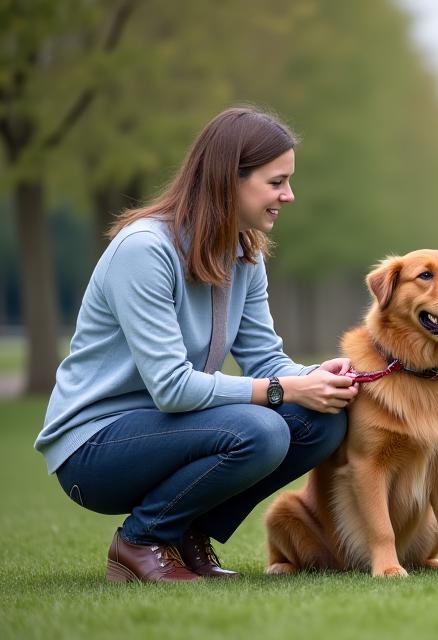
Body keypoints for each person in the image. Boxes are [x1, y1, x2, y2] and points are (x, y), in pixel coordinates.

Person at [35, 107, 359, 582]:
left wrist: (313, 378)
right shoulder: (144, 251)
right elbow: (172, 388)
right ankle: (141, 540)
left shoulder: (245, 254)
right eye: (276, 182)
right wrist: (281, 390)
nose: (289, 196)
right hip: (96, 448)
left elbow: (265, 357)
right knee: (262, 431)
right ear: (231, 179)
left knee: (322, 421)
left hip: (175, 428)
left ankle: (186, 534)